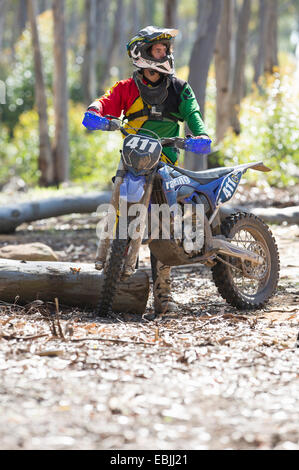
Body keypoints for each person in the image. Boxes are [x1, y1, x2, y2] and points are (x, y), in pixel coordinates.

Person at [86, 26, 210, 316]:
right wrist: (94, 111)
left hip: (165, 162)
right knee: (116, 208)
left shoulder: (179, 87)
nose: (165, 53)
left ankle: (164, 297)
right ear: (141, 53)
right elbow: (105, 102)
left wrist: (200, 135)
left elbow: (192, 113)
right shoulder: (126, 88)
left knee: (162, 226)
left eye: (166, 49)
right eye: (159, 49)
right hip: (131, 162)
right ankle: (107, 276)